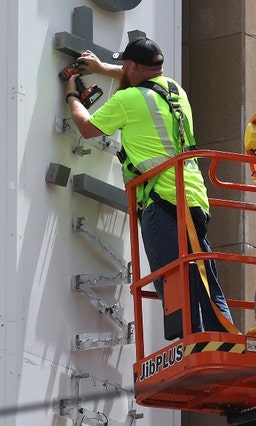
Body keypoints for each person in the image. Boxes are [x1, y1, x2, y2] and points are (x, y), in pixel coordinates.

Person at [62, 37, 235, 339]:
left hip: (159, 199)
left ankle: (192, 344)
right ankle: (225, 339)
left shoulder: (127, 101)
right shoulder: (175, 90)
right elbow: (142, 79)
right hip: (193, 196)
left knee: (173, 281)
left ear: (131, 66)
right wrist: (103, 68)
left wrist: (72, 98)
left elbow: (87, 128)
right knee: (205, 278)